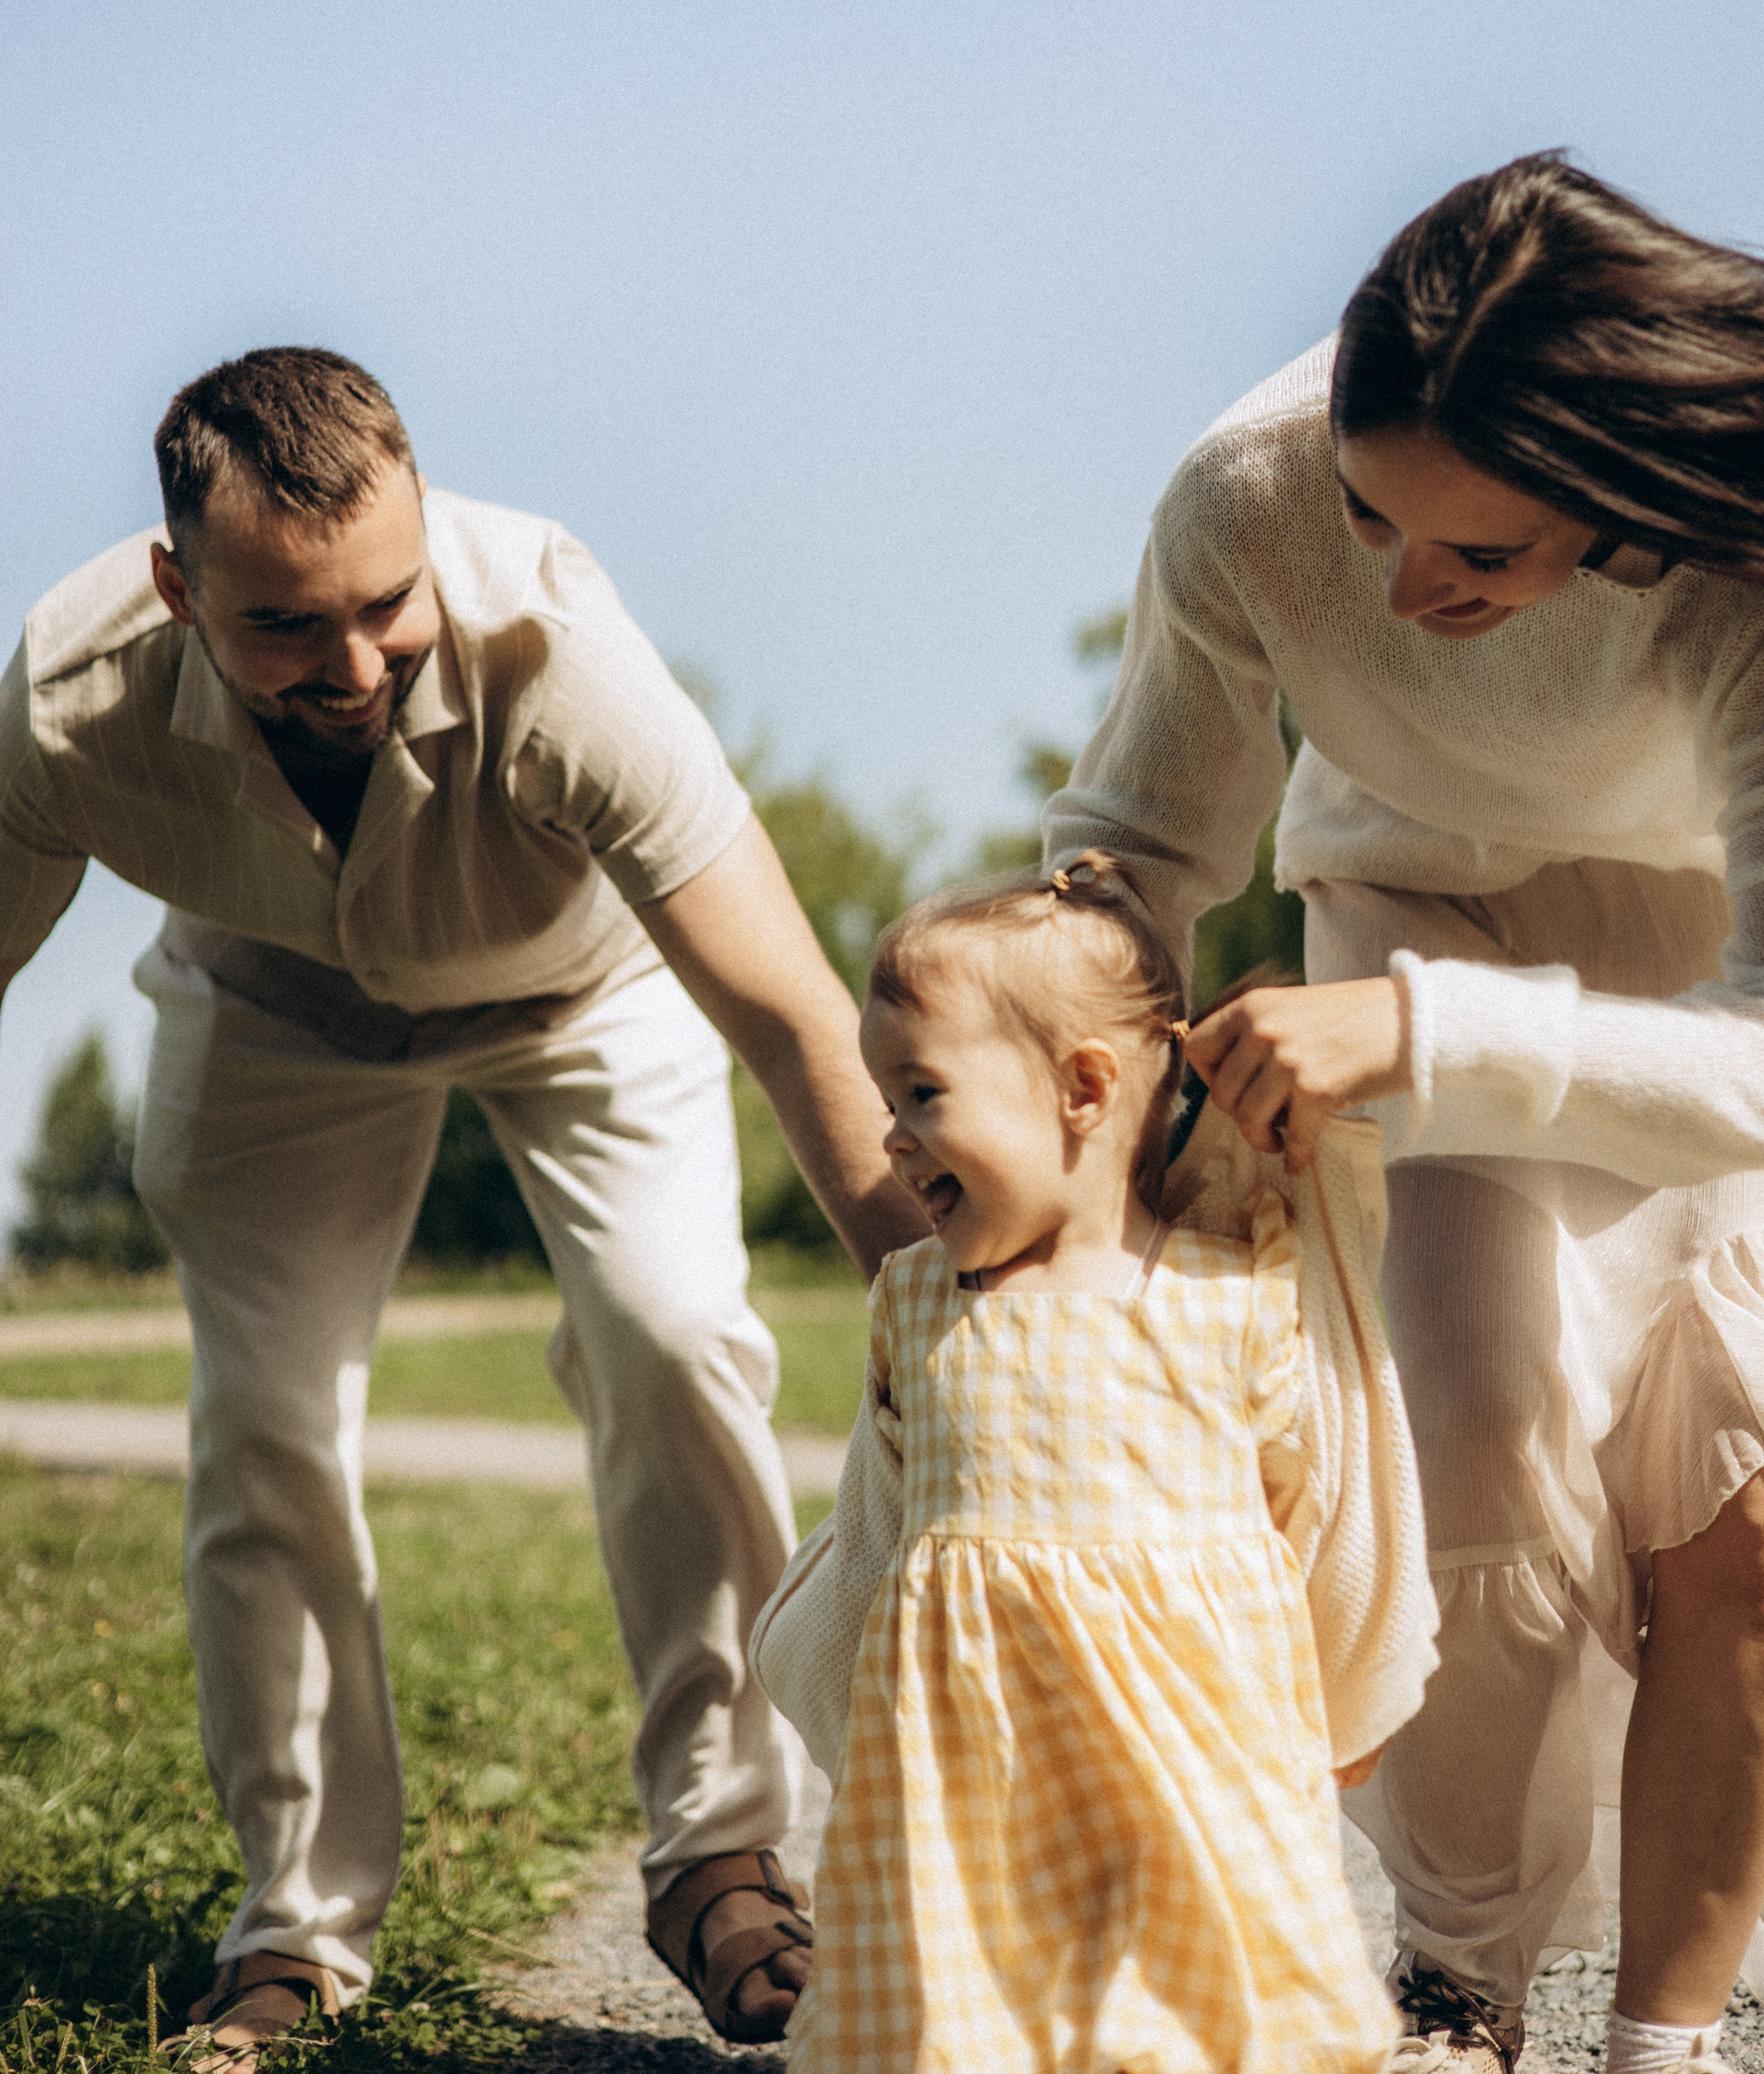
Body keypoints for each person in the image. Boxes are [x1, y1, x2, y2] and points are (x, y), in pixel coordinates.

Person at [0, 347, 925, 2063]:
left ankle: (722, 1858)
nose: (354, 666)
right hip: (271, 1002)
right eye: (285, 627)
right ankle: (295, 1930)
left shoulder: (563, 658)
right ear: (175, 587)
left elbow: (796, 1023)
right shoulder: (70, 696)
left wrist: (950, 1330)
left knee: (673, 1332)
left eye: (388, 603)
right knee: (265, 1422)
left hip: (579, 991)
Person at [1045, 152, 1764, 2074]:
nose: (1396, 586)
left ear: (1625, 502)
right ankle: (1460, 1989)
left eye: (1481, 556)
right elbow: (1137, 835)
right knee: (1481, 1422)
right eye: (1370, 516)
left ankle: (1669, 2041)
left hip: (1707, 966)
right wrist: (1074, 1070)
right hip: (1404, 911)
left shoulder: (1748, 550)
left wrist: (1427, 1033)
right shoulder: (1242, 493)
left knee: (1741, 1495)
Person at [749, 856, 1438, 2073]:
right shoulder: (917, 1300)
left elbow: (1324, 1502)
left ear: (1081, 1086)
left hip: (1195, 1769)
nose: (891, 1139)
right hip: (976, 1782)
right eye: (884, 1098)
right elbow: (881, 1518)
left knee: (1198, 2013)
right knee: (981, 2013)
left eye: (920, 1094)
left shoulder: (1229, 1291)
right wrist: (826, 1664)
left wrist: (1346, 1681)